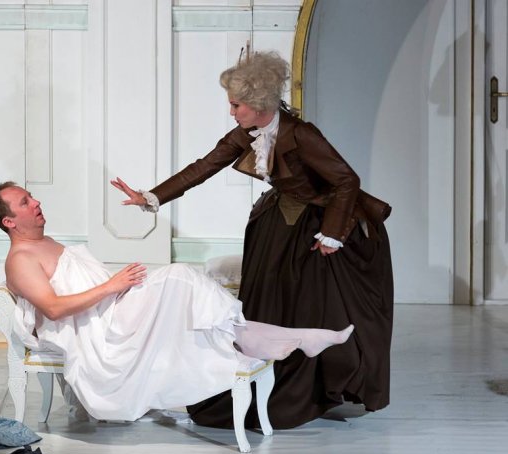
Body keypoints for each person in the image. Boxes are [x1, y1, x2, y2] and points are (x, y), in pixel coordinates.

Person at [111, 50, 393, 429]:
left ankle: (310, 383)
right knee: (271, 298)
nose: (232, 112)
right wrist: (151, 196)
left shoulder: (302, 134)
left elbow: (346, 180)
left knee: (314, 302)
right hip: (280, 222)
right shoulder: (248, 133)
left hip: (319, 226)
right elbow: (205, 166)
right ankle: (265, 371)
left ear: (259, 105)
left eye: (236, 105)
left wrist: (332, 233)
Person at [0, 182, 354, 422]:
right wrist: (113, 286)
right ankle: (270, 337)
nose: (36, 202)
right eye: (25, 202)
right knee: (179, 276)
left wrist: (118, 288)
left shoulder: (45, 243)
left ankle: (275, 336)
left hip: (113, 307)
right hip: (101, 329)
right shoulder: (21, 260)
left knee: (184, 287)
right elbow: (53, 308)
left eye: (31, 196)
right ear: (9, 222)